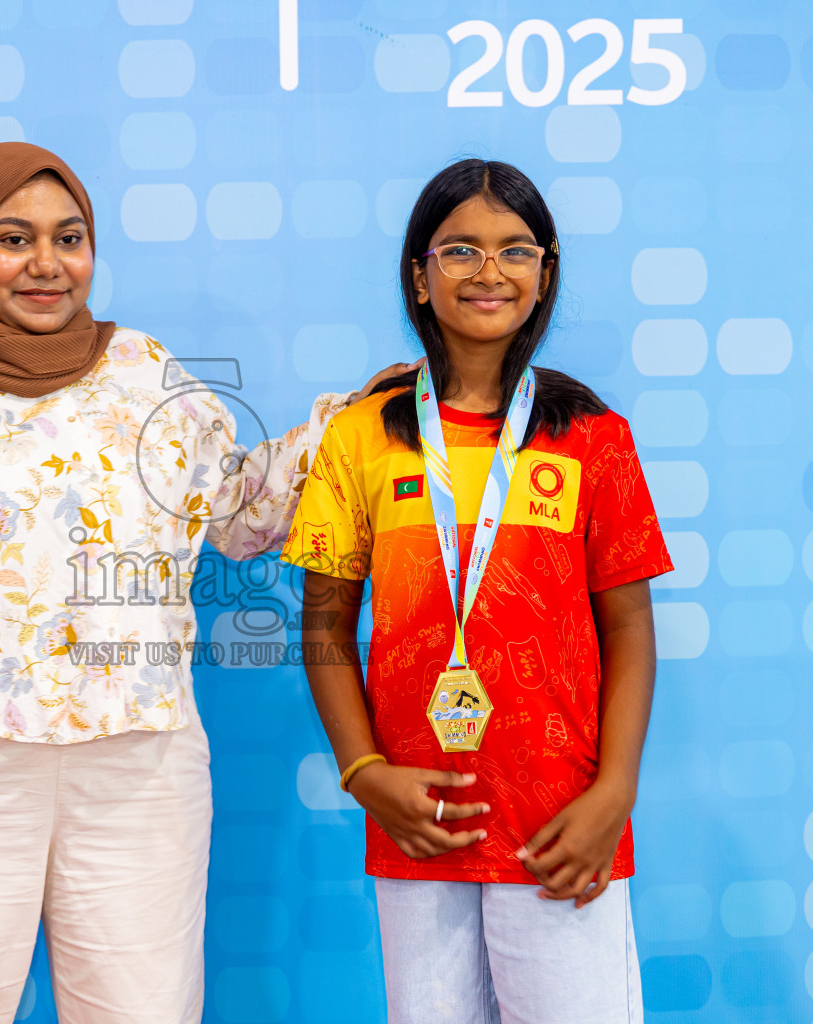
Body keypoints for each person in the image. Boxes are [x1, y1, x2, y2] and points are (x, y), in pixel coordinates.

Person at [0, 141, 412, 1024]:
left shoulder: (143, 373)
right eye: (13, 237)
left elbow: (236, 512)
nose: (47, 263)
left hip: (144, 759)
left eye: (69, 237)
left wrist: (346, 424)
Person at [281, 159, 672, 1023]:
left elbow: (631, 630)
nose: (488, 273)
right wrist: (363, 771)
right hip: (421, 818)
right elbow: (324, 626)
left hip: (563, 825)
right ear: (419, 277)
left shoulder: (593, 437)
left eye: (515, 251)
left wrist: (614, 794)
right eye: (459, 250)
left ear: (546, 275)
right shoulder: (361, 437)